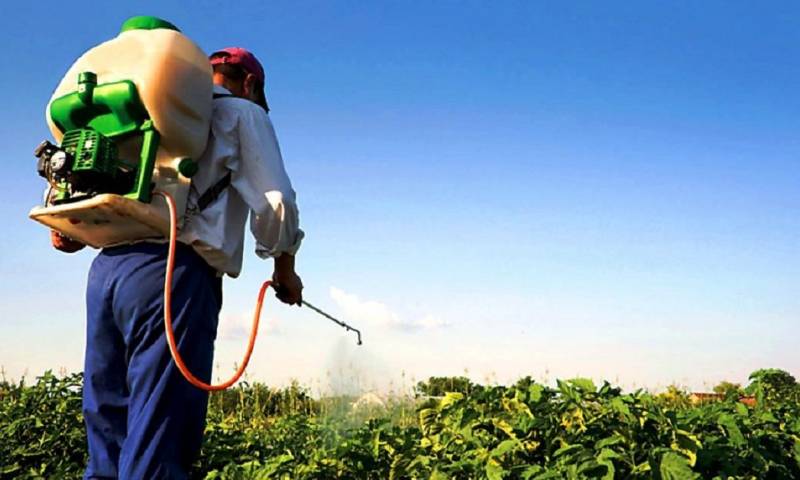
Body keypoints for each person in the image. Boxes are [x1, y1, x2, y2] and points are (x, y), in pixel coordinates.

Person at [51, 47, 304, 479]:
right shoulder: (243, 113)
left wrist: (74, 226)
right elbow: (274, 201)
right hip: (172, 274)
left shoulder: (153, 107)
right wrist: (284, 268)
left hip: (107, 271)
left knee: (107, 420)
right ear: (251, 84)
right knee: (159, 431)